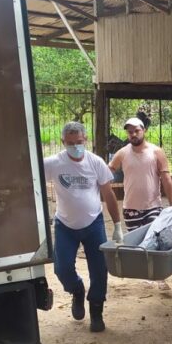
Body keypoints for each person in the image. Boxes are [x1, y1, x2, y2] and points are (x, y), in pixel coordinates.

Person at [44, 122, 123, 332]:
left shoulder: (96, 163)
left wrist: (117, 224)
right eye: (70, 143)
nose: (75, 147)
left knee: (99, 269)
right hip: (65, 225)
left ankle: (96, 310)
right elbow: (33, 180)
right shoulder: (53, 163)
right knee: (62, 268)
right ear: (63, 142)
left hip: (93, 223)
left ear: (85, 139)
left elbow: (108, 194)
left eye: (78, 142)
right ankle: (76, 290)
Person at [109, 117, 172, 232]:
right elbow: (108, 171)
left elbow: (166, 179)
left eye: (137, 131)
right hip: (130, 208)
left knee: (152, 239)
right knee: (136, 243)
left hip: (153, 207)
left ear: (144, 130)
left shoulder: (156, 152)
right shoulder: (122, 153)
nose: (133, 134)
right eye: (130, 132)